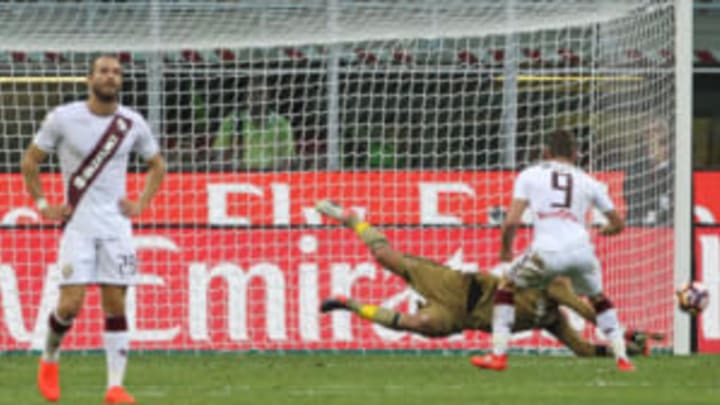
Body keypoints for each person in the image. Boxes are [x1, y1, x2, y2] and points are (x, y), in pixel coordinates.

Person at [315, 200, 662, 358]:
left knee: (415, 323)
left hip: (461, 318)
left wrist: (630, 348)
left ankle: (348, 304)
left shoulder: (552, 321)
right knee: (385, 257)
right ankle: (350, 218)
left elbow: (584, 348)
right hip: (461, 287)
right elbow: (587, 312)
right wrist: (624, 333)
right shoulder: (554, 284)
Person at [21, 55, 166, 404]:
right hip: (79, 226)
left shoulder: (131, 122)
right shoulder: (64, 118)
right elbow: (30, 161)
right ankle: (50, 358)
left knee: (116, 304)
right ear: (90, 78)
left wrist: (142, 203)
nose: (110, 77)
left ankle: (114, 387)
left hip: (116, 226)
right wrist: (43, 206)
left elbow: (157, 165)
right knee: (70, 305)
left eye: (116, 72)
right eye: (104, 71)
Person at [472, 129, 633, 372]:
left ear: (546, 153)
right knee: (599, 299)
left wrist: (506, 251)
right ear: (576, 155)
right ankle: (623, 359)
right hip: (581, 251)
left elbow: (512, 221)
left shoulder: (530, 175)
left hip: (546, 252)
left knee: (506, 286)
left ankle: (498, 355)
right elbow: (618, 223)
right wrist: (608, 231)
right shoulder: (590, 181)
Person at [212, 78, 295, 170]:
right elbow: (218, 158)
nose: (256, 97)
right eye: (251, 93)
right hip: (239, 176)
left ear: (269, 96)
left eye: (260, 92)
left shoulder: (281, 124)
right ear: (246, 98)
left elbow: (287, 161)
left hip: (272, 176)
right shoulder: (232, 121)